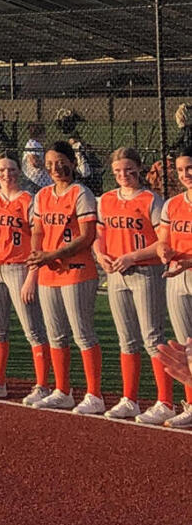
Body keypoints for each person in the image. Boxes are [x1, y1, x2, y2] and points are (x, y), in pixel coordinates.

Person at [95, 146, 172, 421]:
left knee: (152, 337)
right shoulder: (105, 200)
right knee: (126, 339)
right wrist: (99, 254)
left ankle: (166, 401)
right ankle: (130, 398)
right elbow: (99, 234)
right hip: (117, 273)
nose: (123, 175)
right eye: (117, 171)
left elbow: (163, 243)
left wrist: (132, 256)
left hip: (145, 272)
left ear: (139, 169)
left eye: (129, 169)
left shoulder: (152, 200)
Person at [25, 141, 103, 411]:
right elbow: (37, 231)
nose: (55, 168)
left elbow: (86, 236)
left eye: (60, 162)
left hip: (77, 271)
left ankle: (94, 394)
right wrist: (38, 256)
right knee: (56, 335)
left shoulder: (81, 192)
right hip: (49, 272)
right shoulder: (43, 195)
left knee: (82, 333)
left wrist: (52, 255)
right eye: (50, 164)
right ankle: (62, 390)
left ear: (71, 162)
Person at [0, 155, 50, 401]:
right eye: (2, 170)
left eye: (12, 169)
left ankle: (42, 384)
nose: (7, 174)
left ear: (20, 171)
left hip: (19, 267)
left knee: (33, 328)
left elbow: (38, 240)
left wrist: (31, 276)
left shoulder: (29, 201)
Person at [153, 145, 192, 427]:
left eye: (189, 168)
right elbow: (163, 241)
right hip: (176, 275)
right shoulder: (173, 204)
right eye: (180, 170)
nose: (185, 174)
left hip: (187, 268)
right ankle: (190, 404)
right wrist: (164, 253)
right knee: (185, 346)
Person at [22, 123, 51, 189]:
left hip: (41, 181)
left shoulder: (37, 144)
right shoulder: (32, 144)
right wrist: (48, 166)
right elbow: (35, 162)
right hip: (35, 181)